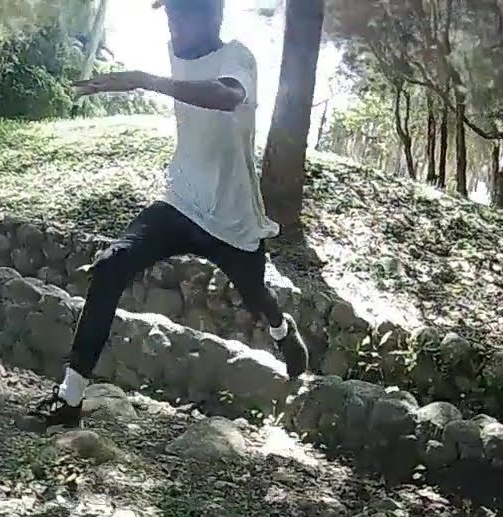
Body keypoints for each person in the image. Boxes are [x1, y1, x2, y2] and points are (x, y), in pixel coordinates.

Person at [26, 0, 309, 430]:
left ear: (213, 17)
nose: (174, 27)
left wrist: (146, 81)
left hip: (232, 218)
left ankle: (281, 330)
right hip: (181, 201)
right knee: (110, 267)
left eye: (184, 16)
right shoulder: (177, 49)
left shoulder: (237, 56)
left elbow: (227, 96)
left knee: (256, 296)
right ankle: (70, 399)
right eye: (171, 16)